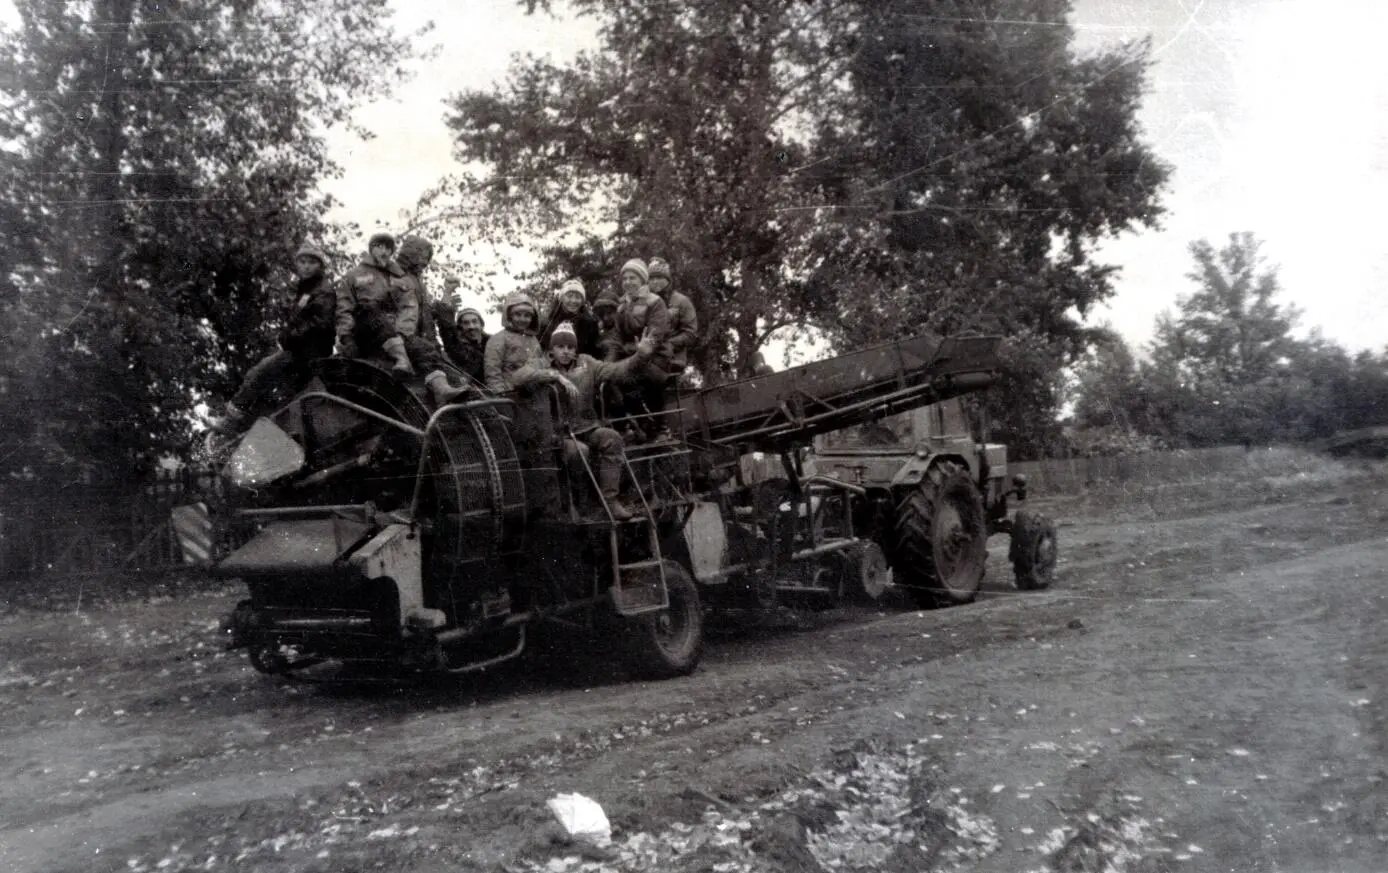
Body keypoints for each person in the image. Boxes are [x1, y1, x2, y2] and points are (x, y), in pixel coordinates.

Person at [207, 242, 336, 434]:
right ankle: (247, 428)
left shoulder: (322, 290)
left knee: (260, 373)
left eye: (312, 262)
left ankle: (232, 421)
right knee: (279, 393)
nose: (306, 266)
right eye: (302, 262)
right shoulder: (307, 290)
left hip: (308, 352)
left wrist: (290, 336)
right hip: (303, 350)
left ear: (320, 266)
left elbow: (320, 323)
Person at [544, 321, 661, 520]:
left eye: (570, 347)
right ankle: (580, 504)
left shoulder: (587, 363)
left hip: (588, 427)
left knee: (611, 437)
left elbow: (617, 371)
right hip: (560, 434)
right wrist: (550, 375)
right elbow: (521, 377)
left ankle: (610, 500)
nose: (565, 352)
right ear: (552, 350)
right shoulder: (542, 365)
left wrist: (640, 356)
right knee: (579, 451)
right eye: (560, 347)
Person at [389, 234, 465, 406]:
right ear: (409, 254)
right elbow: (388, 307)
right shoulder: (394, 277)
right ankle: (441, 392)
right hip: (405, 336)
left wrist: (447, 295)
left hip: (425, 339)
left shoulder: (419, 283)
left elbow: (425, 312)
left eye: (427, 257)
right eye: (421, 255)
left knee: (454, 373)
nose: (424, 260)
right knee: (427, 353)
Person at [333, 232, 412, 375]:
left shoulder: (400, 277)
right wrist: (346, 337)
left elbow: (409, 308)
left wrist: (403, 333)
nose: (384, 251)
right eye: (379, 246)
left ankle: (442, 388)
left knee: (424, 347)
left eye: (388, 248)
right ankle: (401, 357)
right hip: (365, 331)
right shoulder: (354, 275)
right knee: (368, 308)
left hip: (395, 333)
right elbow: (343, 307)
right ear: (371, 249)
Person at [613, 259, 673, 436]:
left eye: (633, 278)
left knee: (638, 376)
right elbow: (617, 337)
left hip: (656, 359)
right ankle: (643, 423)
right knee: (611, 378)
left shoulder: (655, 302)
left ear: (642, 279)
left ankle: (662, 427)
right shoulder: (621, 305)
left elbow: (655, 335)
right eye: (625, 279)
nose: (628, 282)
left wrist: (639, 350)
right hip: (632, 358)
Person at [433, 277, 490, 386]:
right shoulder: (457, 346)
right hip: (475, 392)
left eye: (474, 322)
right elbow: (446, 327)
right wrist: (448, 292)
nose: (471, 326)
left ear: (481, 324)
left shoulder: (493, 342)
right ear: (460, 328)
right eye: (466, 323)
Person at [646, 257, 698, 375]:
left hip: (673, 359)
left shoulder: (681, 301)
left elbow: (690, 333)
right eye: (652, 278)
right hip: (647, 357)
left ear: (668, 280)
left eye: (659, 277)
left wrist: (669, 344)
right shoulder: (644, 302)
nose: (655, 282)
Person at [539, 278, 601, 357]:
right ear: (561, 299)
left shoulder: (590, 323)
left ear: (582, 301)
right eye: (569, 296)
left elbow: (593, 353)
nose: (573, 301)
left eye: (578, 297)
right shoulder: (547, 323)